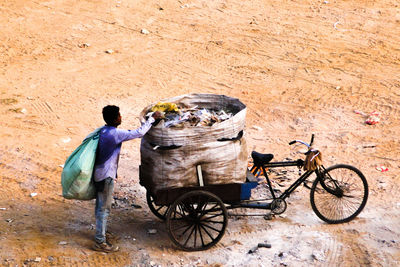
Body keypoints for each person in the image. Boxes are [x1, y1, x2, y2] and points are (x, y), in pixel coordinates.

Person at [92, 105, 161, 253]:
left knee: (101, 206)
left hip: (99, 173)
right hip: (106, 176)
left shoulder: (104, 130)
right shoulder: (114, 134)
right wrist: (152, 119)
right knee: (104, 209)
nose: (121, 117)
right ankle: (99, 241)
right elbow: (139, 133)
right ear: (115, 118)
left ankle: (101, 233)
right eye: (119, 115)